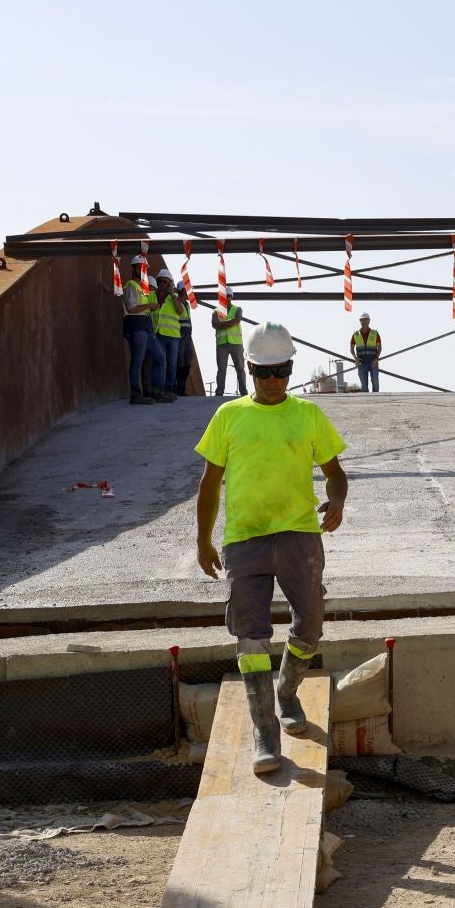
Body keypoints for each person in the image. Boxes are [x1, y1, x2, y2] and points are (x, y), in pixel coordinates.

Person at [194, 323, 350, 774]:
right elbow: (210, 484)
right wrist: (203, 540)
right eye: (264, 372)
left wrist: (336, 500)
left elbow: (335, 472)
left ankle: (287, 693)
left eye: (281, 371)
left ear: (290, 368)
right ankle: (266, 734)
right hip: (245, 539)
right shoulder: (228, 416)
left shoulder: (308, 415)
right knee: (251, 637)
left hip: (300, 535)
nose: (273, 381)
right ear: (250, 368)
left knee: (311, 626)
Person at [121, 260, 160, 405]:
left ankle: (156, 392)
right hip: (136, 326)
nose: (144, 271)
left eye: (145, 268)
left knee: (159, 358)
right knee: (137, 361)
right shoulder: (131, 286)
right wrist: (150, 305)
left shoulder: (141, 288)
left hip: (145, 327)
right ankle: (136, 394)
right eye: (141, 268)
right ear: (134, 268)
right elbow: (131, 309)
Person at [150, 265, 185, 404]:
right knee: (160, 362)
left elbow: (180, 311)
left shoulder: (174, 298)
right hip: (158, 335)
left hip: (173, 336)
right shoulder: (152, 296)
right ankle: (158, 391)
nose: (161, 284)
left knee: (171, 364)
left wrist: (172, 294)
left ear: (170, 283)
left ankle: (169, 391)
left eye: (165, 282)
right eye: (159, 281)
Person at [211, 296, 246, 396]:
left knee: (240, 368)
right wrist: (231, 322)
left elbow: (237, 320)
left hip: (236, 343)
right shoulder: (216, 311)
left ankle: (243, 392)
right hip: (222, 343)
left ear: (231, 297)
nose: (226, 298)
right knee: (221, 369)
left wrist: (221, 324)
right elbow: (214, 324)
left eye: (228, 296)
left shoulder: (237, 309)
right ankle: (219, 392)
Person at [351, 314, 381, 393]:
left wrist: (376, 359)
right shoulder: (356, 334)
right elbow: (351, 348)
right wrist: (355, 358)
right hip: (361, 362)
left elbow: (380, 347)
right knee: (364, 384)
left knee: (375, 381)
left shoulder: (374, 333)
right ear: (360, 321)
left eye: (366, 320)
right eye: (362, 320)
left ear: (369, 321)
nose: (364, 322)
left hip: (373, 362)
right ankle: (366, 402)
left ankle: (376, 400)